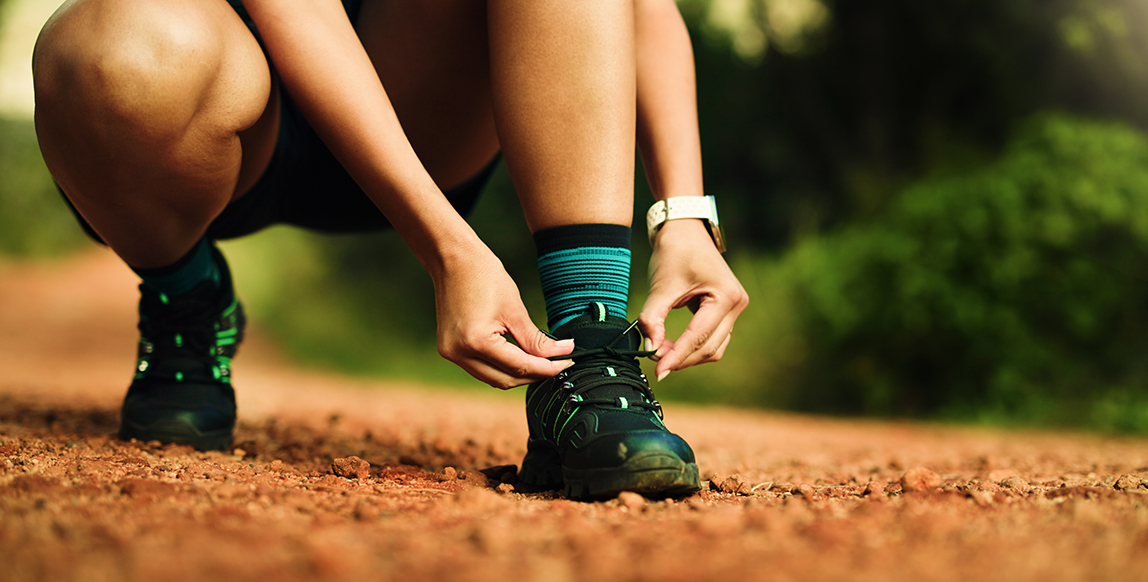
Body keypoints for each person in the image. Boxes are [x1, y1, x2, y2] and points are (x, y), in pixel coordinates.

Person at [31, 0, 748, 500]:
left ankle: (589, 352)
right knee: (101, 54)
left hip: (417, 100)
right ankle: (185, 297)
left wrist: (684, 215)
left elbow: (641, 6)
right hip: (214, 90)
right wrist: (446, 249)